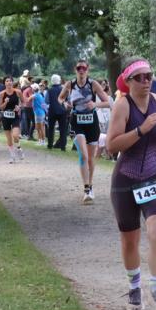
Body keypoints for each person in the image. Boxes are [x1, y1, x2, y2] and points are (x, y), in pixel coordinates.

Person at [107, 57, 156, 310]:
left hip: (155, 176)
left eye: (150, 76)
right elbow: (111, 146)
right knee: (129, 241)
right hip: (125, 179)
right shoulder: (122, 106)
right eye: (141, 77)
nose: (147, 81)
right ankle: (135, 286)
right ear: (128, 81)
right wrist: (141, 129)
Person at [60, 60, 112, 203]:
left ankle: (90, 184)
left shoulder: (93, 84)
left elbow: (108, 102)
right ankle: (86, 189)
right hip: (77, 122)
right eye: (79, 68)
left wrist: (95, 104)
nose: (81, 70)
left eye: (84, 68)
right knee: (83, 155)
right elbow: (60, 97)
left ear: (88, 69)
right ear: (75, 70)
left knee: (90, 157)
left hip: (92, 123)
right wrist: (64, 103)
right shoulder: (70, 84)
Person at [0, 77, 23, 163]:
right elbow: (1, 107)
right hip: (6, 117)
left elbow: (23, 102)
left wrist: (19, 107)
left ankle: (19, 148)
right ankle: (12, 156)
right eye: (7, 81)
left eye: (10, 81)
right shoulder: (2, 93)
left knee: (15, 135)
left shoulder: (18, 92)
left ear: (12, 82)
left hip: (15, 116)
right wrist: (5, 102)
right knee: (9, 139)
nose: (9, 83)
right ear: (4, 83)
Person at [46, 74, 68, 151]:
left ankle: (49, 145)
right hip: (62, 111)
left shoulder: (49, 90)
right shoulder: (63, 89)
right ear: (59, 80)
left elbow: (47, 101)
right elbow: (67, 99)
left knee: (51, 129)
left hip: (52, 110)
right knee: (63, 129)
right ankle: (63, 147)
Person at [32, 82, 48, 146]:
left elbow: (28, 100)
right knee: (40, 128)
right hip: (40, 113)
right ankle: (41, 141)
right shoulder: (40, 95)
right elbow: (43, 105)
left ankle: (42, 141)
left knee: (40, 128)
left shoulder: (36, 95)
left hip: (39, 113)